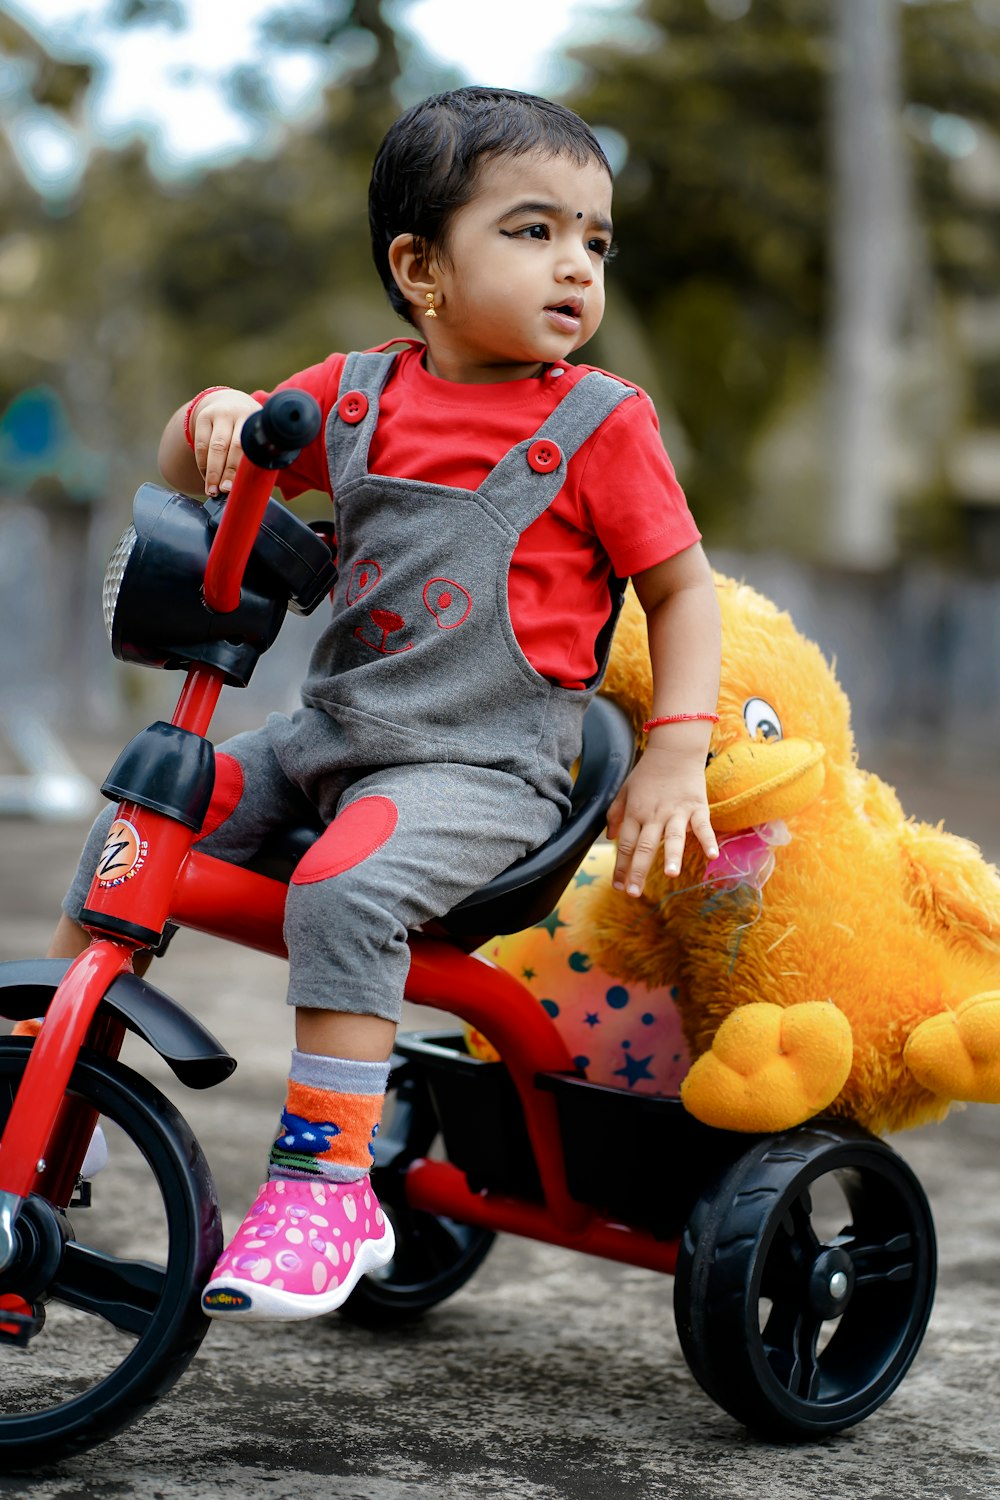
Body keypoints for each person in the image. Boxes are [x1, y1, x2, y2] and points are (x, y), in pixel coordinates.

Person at [50, 86, 721, 1322]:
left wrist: (675, 749)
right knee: (130, 828)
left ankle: (326, 1184)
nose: (576, 264)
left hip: (485, 768)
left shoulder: (599, 425)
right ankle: (57, 1108)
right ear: (419, 266)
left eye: (594, 239)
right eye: (534, 232)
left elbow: (681, 592)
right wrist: (217, 417)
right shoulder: (357, 397)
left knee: (344, 888)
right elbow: (198, 455)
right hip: (329, 741)